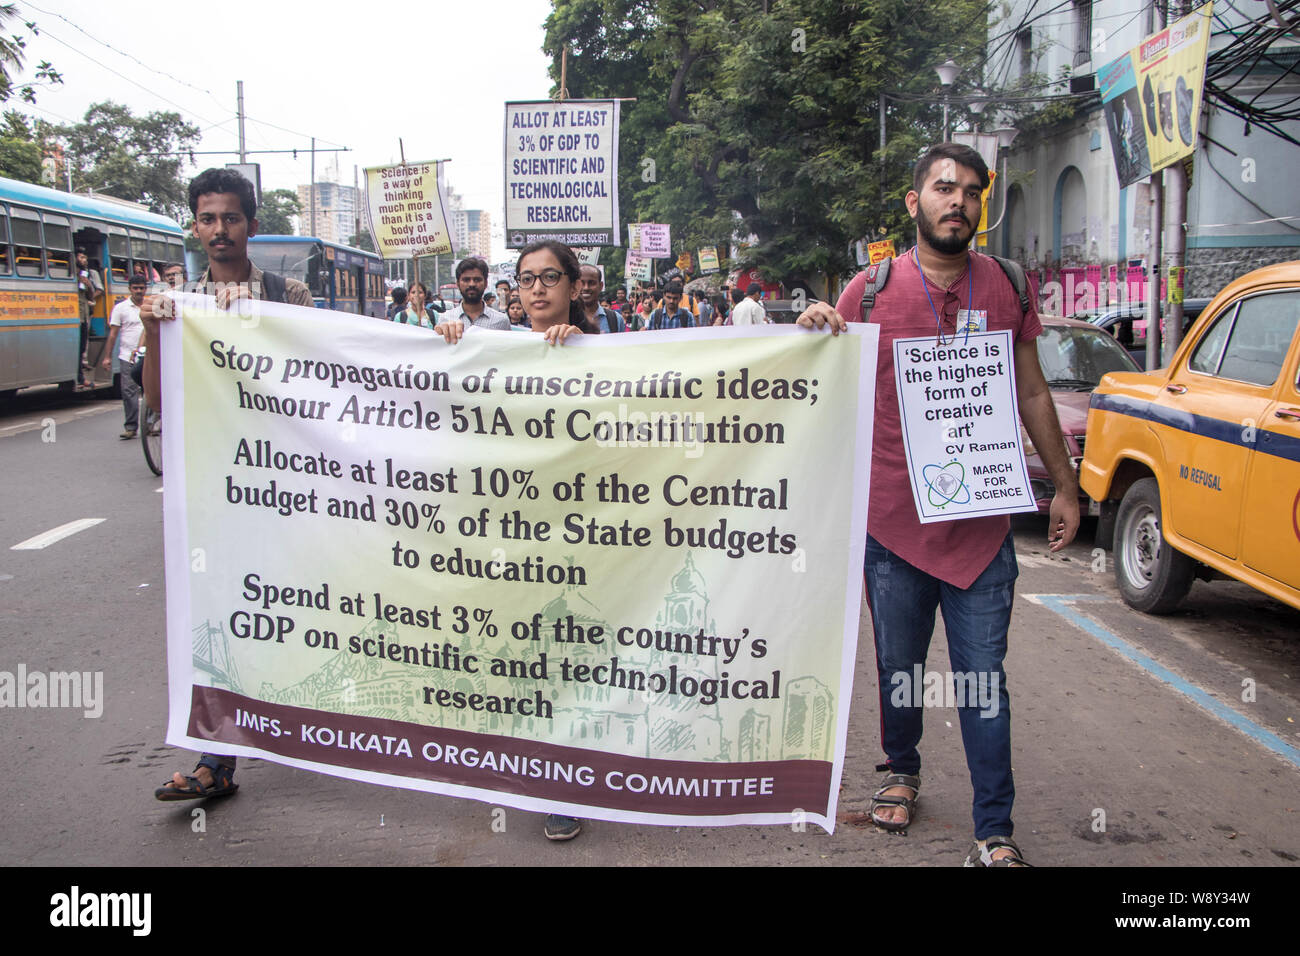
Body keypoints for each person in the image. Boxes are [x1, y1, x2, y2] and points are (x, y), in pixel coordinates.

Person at [796, 142, 1079, 867]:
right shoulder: (869, 290)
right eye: (943, 188)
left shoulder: (1008, 285)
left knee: (983, 682)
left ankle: (995, 829)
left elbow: (1034, 392)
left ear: (983, 207)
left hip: (981, 532)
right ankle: (901, 768)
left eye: (972, 192)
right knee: (901, 666)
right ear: (914, 201)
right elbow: (826, 391)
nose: (958, 202)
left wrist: (1067, 485)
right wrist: (810, 338)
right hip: (892, 526)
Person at [139, 166, 311, 802]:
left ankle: (329, 728)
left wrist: (255, 322)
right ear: (195, 226)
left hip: (286, 487)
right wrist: (161, 329)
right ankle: (218, 760)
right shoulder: (180, 304)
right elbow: (157, 401)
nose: (219, 229)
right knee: (223, 615)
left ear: (251, 226)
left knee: (296, 615)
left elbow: (320, 382)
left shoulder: (288, 296)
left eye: (230, 217)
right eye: (207, 218)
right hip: (217, 492)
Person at [432, 239, 586, 841]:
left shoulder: (611, 353)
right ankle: (515, 764)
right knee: (518, 657)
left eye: (551, 277)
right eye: (527, 279)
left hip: (578, 537)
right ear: (513, 292)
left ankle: (565, 784)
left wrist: (812, 327)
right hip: (505, 535)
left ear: (573, 285)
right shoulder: (489, 350)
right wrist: (442, 347)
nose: (538, 288)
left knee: (566, 660)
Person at [101, 273, 148, 438]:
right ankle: (131, 427)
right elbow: (113, 334)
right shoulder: (120, 308)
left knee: (150, 390)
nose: (139, 291)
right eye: (135, 288)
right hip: (127, 356)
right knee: (128, 391)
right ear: (130, 289)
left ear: (146, 289)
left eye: (142, 288)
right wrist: (107, 357)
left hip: (148, 356)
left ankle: (151, 424)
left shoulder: (150, 306)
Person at [437, 257, 510, 330]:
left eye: (477, 280)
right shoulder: (445, 320)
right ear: (458, 284)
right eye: (466, 280)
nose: (472, 284)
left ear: (486, 283)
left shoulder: (501, 321)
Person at [76, 249, 103, 388]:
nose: (84, 260)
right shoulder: (69, 274)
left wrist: (89, 286)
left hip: (83, 316)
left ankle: (80, 378)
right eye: (81, 257)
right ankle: (79, 377)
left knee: (81, 347)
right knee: (77, 348)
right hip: (73, 315)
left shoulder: (85, 275)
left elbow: (90, 297)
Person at [577, 264, 624, 333]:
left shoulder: (616, 319)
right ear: (575, 286)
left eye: (591, 283)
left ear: (601, 286)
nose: (586, 288)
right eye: (581, 283)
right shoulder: (565, 318)